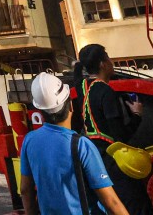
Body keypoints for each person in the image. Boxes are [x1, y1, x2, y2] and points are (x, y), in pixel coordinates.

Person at [20, 72, 129, 215]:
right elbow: (111, 202)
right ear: (71, 106)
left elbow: (25, 190)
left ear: (40, 111)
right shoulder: (81, 145)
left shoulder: (29, 140)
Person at [74, 45, 152, 215]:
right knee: (136, 203)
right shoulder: (106, 92)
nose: (111, 62)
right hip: (110, 157)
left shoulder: (82, 86)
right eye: (108, 57)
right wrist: (137, 115)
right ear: (103, 64)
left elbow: (76, 76)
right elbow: (120, 136)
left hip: (93, 155)